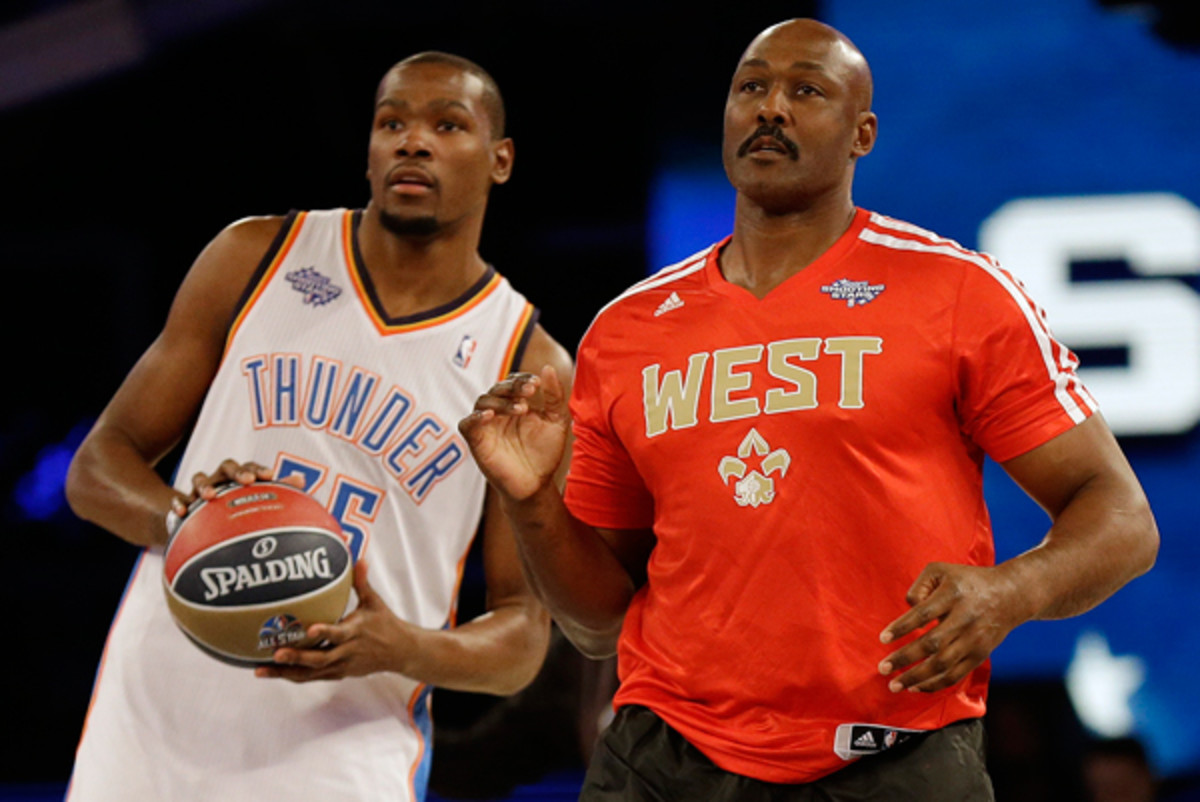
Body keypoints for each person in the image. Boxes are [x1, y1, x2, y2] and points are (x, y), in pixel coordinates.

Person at [459, 18, 1159, 801]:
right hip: (664, 757)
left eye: (807, 90)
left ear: (862, 134)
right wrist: (530, 504)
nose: (771, 109)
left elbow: (1123, 520)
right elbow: (596, 623)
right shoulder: (627, 331)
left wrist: (1009, 595)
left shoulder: (959, 294)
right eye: (751, 88)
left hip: (895, 756)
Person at [64, 51, 572, 802]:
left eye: (447, 124)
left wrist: (402, 646)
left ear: (500, 160)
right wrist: (190, 524)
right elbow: (95, 469)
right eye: (391, 122)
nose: (412, 141)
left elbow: (523, 639)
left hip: (342, 747)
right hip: (158, 712)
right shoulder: (255, 256)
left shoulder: (523, 362)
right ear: (368, 150)